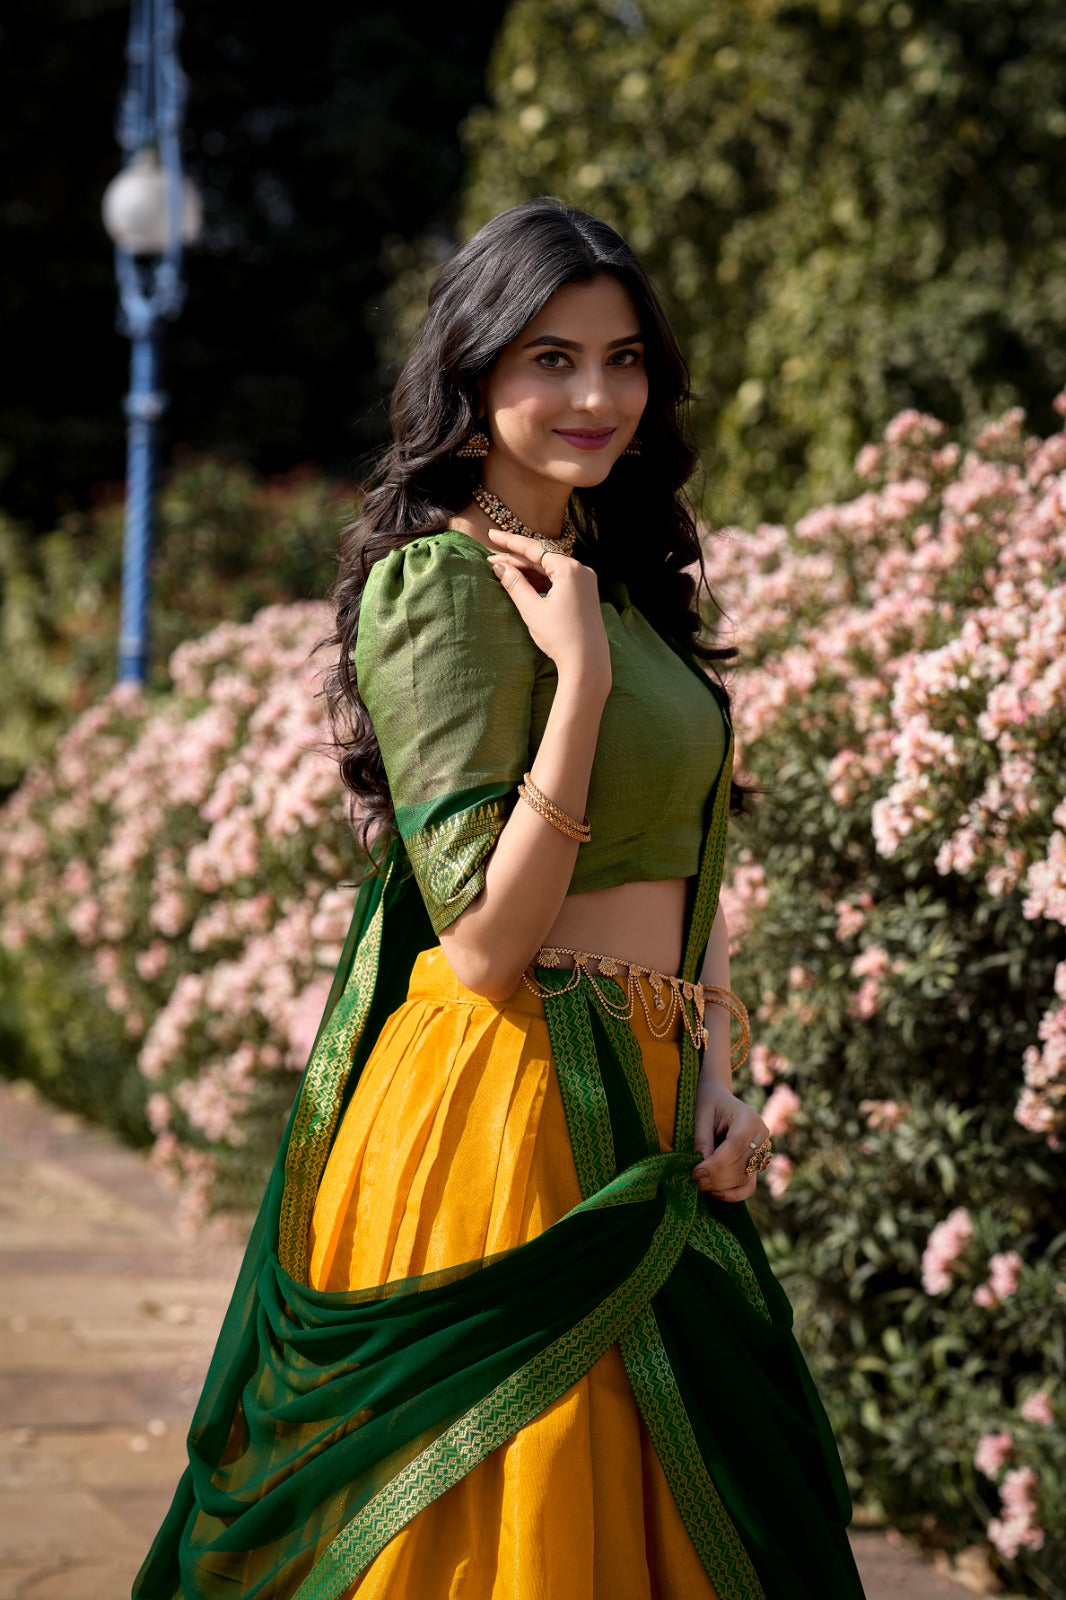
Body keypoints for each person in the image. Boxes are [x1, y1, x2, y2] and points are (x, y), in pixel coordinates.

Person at [135, 200, 866, 1600]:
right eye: (549, 358)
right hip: (509, 1109)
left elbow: (689, 860)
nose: (596, 395)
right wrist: (576, 685)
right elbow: (478, 947)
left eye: (624, 357)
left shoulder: (621, 582)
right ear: (470, 376)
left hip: (652, 1099)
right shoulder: (441, 588)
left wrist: (718, 1068)